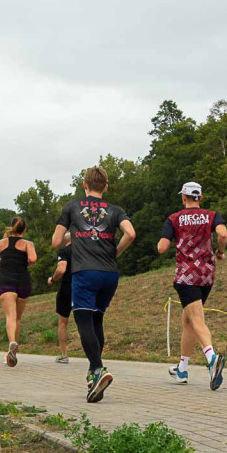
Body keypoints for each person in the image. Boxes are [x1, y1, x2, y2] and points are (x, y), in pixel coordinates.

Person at [51, 165, 136, 403]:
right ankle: (92, 375)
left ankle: (98, 369)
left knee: (83, 321)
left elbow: (56, 241)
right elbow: (130, 233)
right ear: (106, 187)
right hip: (110, 274)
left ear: (84, 185)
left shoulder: (72, 207)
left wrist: (72, 235)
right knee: (97, 319)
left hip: (84, 272)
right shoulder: (115, 210)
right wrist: (115, 253)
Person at [158, 181, 227, 390]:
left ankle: (211, 358)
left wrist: (166, 241)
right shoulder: (212, 215)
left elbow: (162, 248)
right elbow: (223, 234)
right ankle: (182, 368)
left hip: (186, 275)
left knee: (196, 319)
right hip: (206, 274)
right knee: (187, 319)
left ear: (183, 197)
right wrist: (220, 251)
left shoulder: (174, 219)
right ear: (200, 197)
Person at [0, 217, 37, 367]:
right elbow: (33, 259)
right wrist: (25, 261)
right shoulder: (27, 244)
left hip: (6, 282)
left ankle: (12, 343)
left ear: (11, 227)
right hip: (22, 282)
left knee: (10, 316)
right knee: (17, 318)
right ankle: (13, 353)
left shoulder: (1, 243)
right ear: (24, 230)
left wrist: (3, 260)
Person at [48, 240, 73, 363]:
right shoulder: (85, 248)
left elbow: (61, 269)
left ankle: (64, 354)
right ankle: (94, 355)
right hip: (85, 287)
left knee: (63, 322)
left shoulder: (64, 251)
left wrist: (52, 279)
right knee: (87, 321)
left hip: (67, 288)